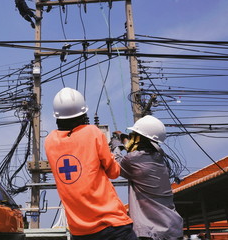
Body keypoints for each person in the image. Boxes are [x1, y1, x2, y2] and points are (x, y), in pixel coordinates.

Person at [44, 87, 137, 240]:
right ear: (83, 114)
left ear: (57, 117)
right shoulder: (93, 133)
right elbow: (114, 172)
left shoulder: (49, 142)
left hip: (80, 231)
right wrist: (114, 152)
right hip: (111, 225)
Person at [112, 115, 184, 240]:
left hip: (150, 232)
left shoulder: (134, 160)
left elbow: (115, 165)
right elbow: (137, 154)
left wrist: (116, 147)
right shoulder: (159, 159)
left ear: (139, 138)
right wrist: (124, 141)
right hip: (173, 228)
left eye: (134, 134)